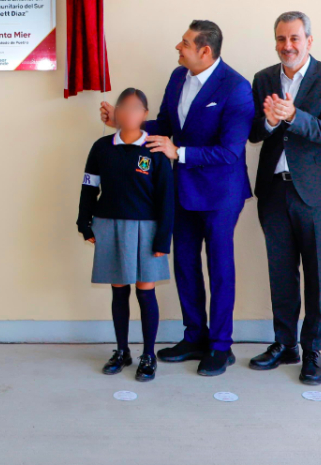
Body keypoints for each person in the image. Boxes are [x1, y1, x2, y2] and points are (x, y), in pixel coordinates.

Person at [100, 20, 253, 377]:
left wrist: (178, 152)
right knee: (184, 264)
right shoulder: (177, 76)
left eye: (184, 43)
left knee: (219, 268)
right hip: (180, 191)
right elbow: (165, 124)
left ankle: (220, 346)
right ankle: (194, 336)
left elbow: (230, 152)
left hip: (220, 195)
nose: (177, 48)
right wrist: (125, 124)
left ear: (205, 51)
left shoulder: (236, 87)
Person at [246, 12, 321, 385]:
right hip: (275, 190)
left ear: (309, 40)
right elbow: (255, 133)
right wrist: (272, 121)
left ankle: (313, 351)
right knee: (281, 272)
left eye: (294, 38)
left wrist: (292, 115)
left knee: (317, 275)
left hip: (318, 193)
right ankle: (285, 344)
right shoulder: (262, 79)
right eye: (280, 39)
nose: (286, 46)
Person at [79, 88, 174, 382]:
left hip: (146, 229)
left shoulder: (155, 149)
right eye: (124, 107)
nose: (129, 112)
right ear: (115, 113)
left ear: (145, 115)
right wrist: (85, 222)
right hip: (109, 226)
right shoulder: (101, 147)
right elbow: (89, 187)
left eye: (136, 108)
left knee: (145, 291)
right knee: (119, 290)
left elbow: (166, 197)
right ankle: (122, 350)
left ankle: (148, 354)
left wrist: (162, 238)